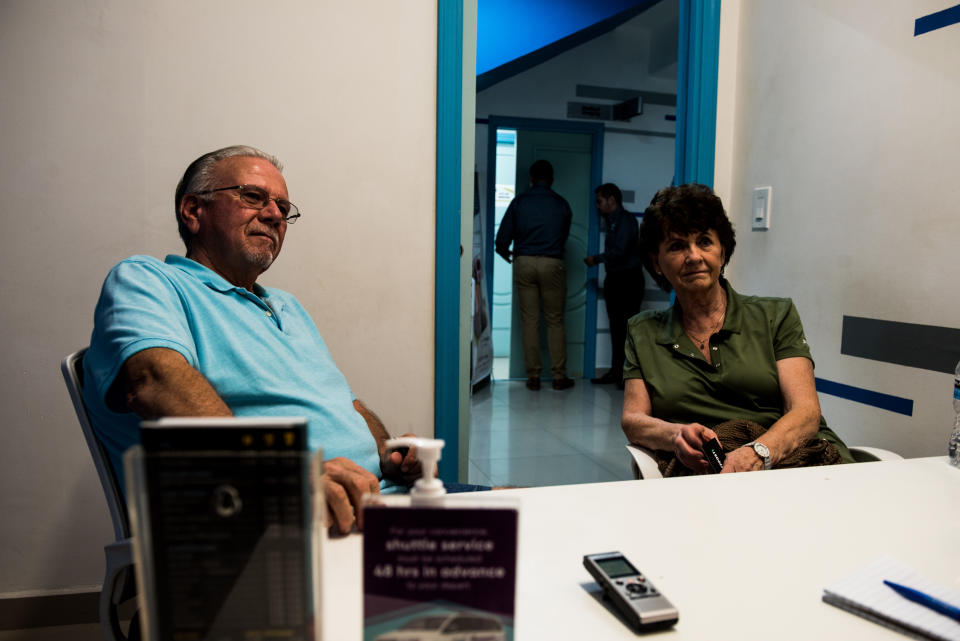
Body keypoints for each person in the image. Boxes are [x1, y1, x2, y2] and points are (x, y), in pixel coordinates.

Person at [83, 145, 431, 533]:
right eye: (253, 197)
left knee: (509, 512)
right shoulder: (147, 280)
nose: (274, 215)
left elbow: (342, 402)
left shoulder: (288, 305)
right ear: (193, 210)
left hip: (381, 497)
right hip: (285, 522)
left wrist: (390, 453)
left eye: (283, 208)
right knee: (497, 560)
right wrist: (286, 478)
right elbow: (153, 382)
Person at [621, 183, 853, 475]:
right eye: (677, 246)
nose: (694, 256)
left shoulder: (774, 315)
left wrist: (758, 453)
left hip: (791, 461)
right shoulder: (642, 331)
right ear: (656, 261)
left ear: (722, 250)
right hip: (707, 470)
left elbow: (806, 412)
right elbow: (633, 420)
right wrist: (676, 435)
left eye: (704, 241)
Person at [494, 159, 575, 391]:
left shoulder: (519, 202)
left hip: (524, 262)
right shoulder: (561, 204)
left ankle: (533, 378)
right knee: (555, 320)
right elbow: (563, 235)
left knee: (529, 321)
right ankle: (559, 377)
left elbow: (501, 240)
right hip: (552, 263)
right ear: (551, 179)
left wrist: (507, 254)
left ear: (531, 178)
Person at [584, 183, 645, 388]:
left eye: (600, 201)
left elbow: (620, 251)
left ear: (612, 200)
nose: (598, 206)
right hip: (616, 280)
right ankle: (617, 372)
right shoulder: (611, 222)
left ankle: (627, 376)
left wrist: (596, 259)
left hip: (628, 281)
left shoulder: (626, 221)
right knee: (617, 329)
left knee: (627, 330)